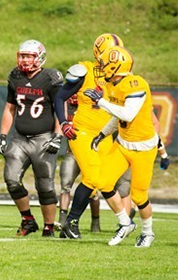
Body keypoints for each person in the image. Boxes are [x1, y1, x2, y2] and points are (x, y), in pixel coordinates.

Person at [84, 45, 160, 247]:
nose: (101, 68)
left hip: (143, 147)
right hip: (123, 143)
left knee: (139, 196)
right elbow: (117, 116)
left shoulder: (136, 84)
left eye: (104, 64)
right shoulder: (111, 85)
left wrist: (101, 102)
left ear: (115, 66)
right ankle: (125, 223)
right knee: (103, 182)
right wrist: (102, 134)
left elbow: (127, 114)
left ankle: (148, 232)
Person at [53, 33, 123, 239]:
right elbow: (60, 97)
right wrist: (64, 122)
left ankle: (124, 222)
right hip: (82, 131)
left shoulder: (120, 78)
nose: (114, 58)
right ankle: (71, 223)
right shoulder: (85, 71)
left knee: (102, 181)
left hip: (105, 135)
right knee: (92, 177)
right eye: (111, 54)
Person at [0, 40, 63, 237]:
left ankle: (49, 227)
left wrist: (58, 136)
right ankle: (28, 219)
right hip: (20, 138)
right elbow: (10, 108)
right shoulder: (15, 76)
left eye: (29, 56)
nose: (24, 60)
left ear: (40, 57)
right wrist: (3, 136)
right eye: (22, 56)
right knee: (11, 179)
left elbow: (62, 109)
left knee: (45, 185)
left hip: (43, 138)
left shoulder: (50, 78)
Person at [55, 93, 100, 233]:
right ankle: (62, 221)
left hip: (89, 152)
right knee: (65, 185)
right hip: (72, 153)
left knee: (92, 190)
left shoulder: (92, 109)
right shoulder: (65, 108)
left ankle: (95, 222)